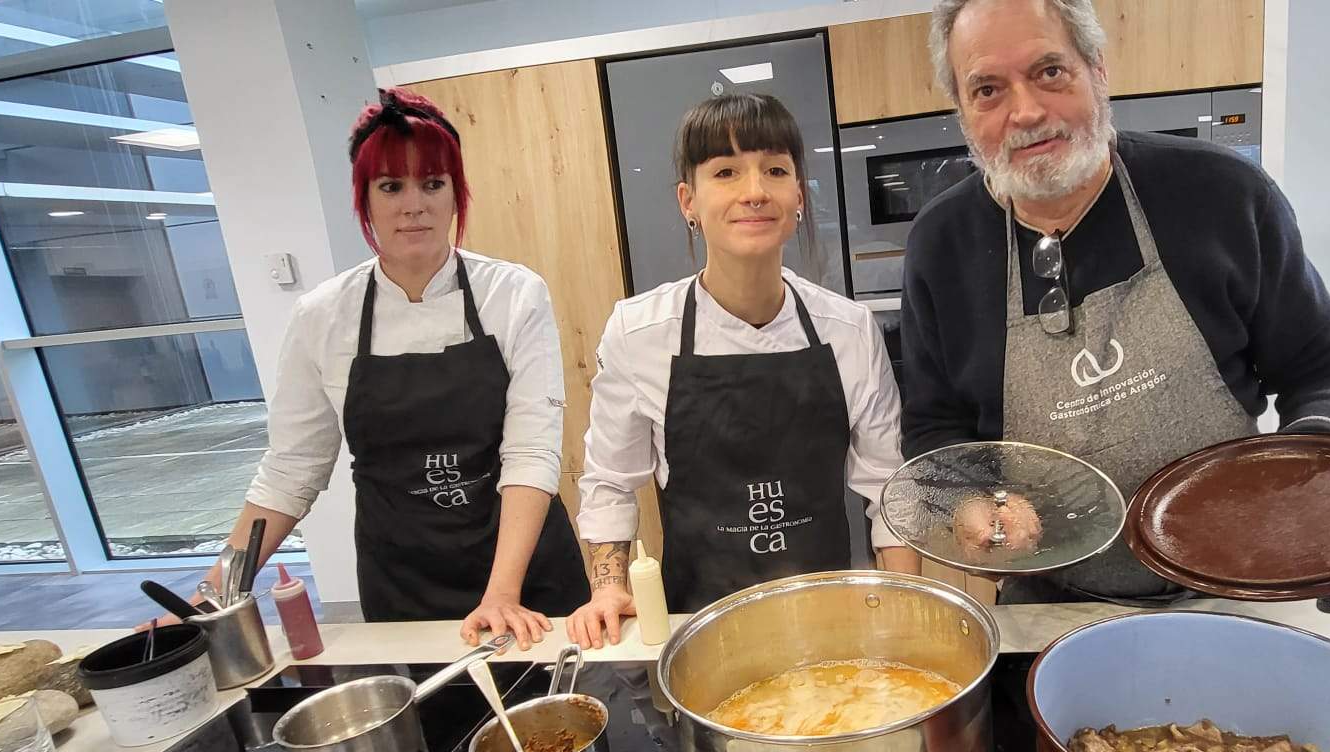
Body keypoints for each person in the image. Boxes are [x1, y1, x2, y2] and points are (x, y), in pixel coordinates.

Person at [903, 0, 1330, 605]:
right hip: (1049, 599)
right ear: (963, 112)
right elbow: (934, 426)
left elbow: (1329, 366)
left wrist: (1307, 466)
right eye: (988, 90)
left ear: (1097, 70)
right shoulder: (941, 246)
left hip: (1236, 582)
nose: (1024, 112)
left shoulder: (1218, 195)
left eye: (1050, 72)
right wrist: (975, 501)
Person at [189, 88, 587, 644]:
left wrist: (500, 595)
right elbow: (290, 471)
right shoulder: (323, 315)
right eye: (391, 186)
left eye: (432, 183)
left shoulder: (514, 294)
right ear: (365, 199)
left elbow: (530, 452)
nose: (413, 204)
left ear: (455, 194)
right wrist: (210, 596)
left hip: (525, 577)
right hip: (403, 582)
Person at [567, 94, 920, 647]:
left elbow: (888, 488)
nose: (754, 191)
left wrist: (901, 600)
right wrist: (608, 588)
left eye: (775, 170)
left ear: (798, 195)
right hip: (699, 628)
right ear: (689, 201)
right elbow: (611, 480)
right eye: (726, 172)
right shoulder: (639, 334)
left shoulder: (848, 329)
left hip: (832, 622)